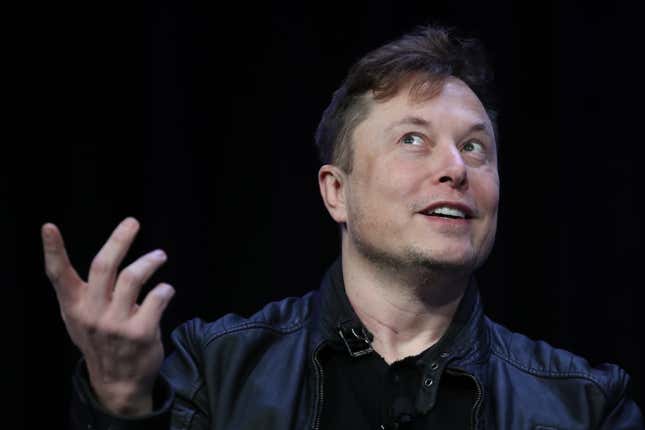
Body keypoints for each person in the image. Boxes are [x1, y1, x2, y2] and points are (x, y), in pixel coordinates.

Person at [42, 24, 644, 429]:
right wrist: (120, 401)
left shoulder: (586, 403)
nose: (456, 168)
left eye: (475, 148)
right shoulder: (214, 369)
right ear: (337, 192)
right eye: (414, 139)